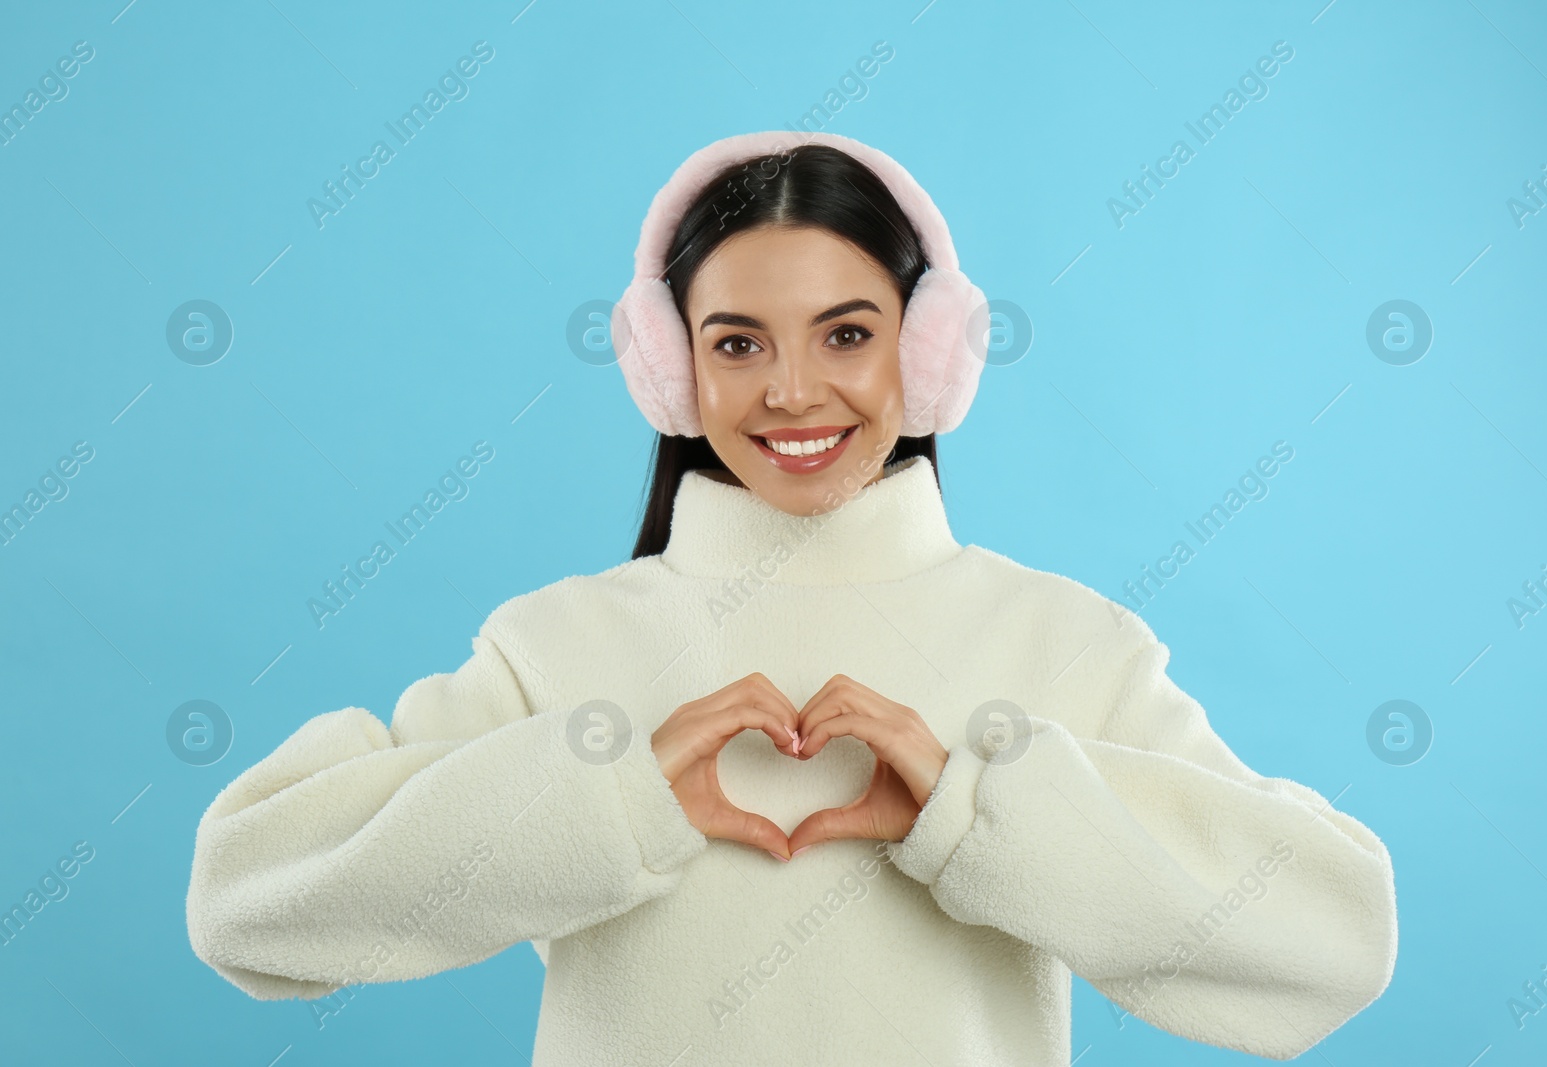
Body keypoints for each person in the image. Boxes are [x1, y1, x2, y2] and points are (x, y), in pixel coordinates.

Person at [185, 130, 1398, 1065]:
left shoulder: (1066, 644)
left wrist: (980, 807)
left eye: (847, 333)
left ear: (929, 351)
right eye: (738, 343)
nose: (793, 392)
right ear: (670, 368)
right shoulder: (559, 645)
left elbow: (1332, 940)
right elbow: (248, 898)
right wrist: (607, 790)